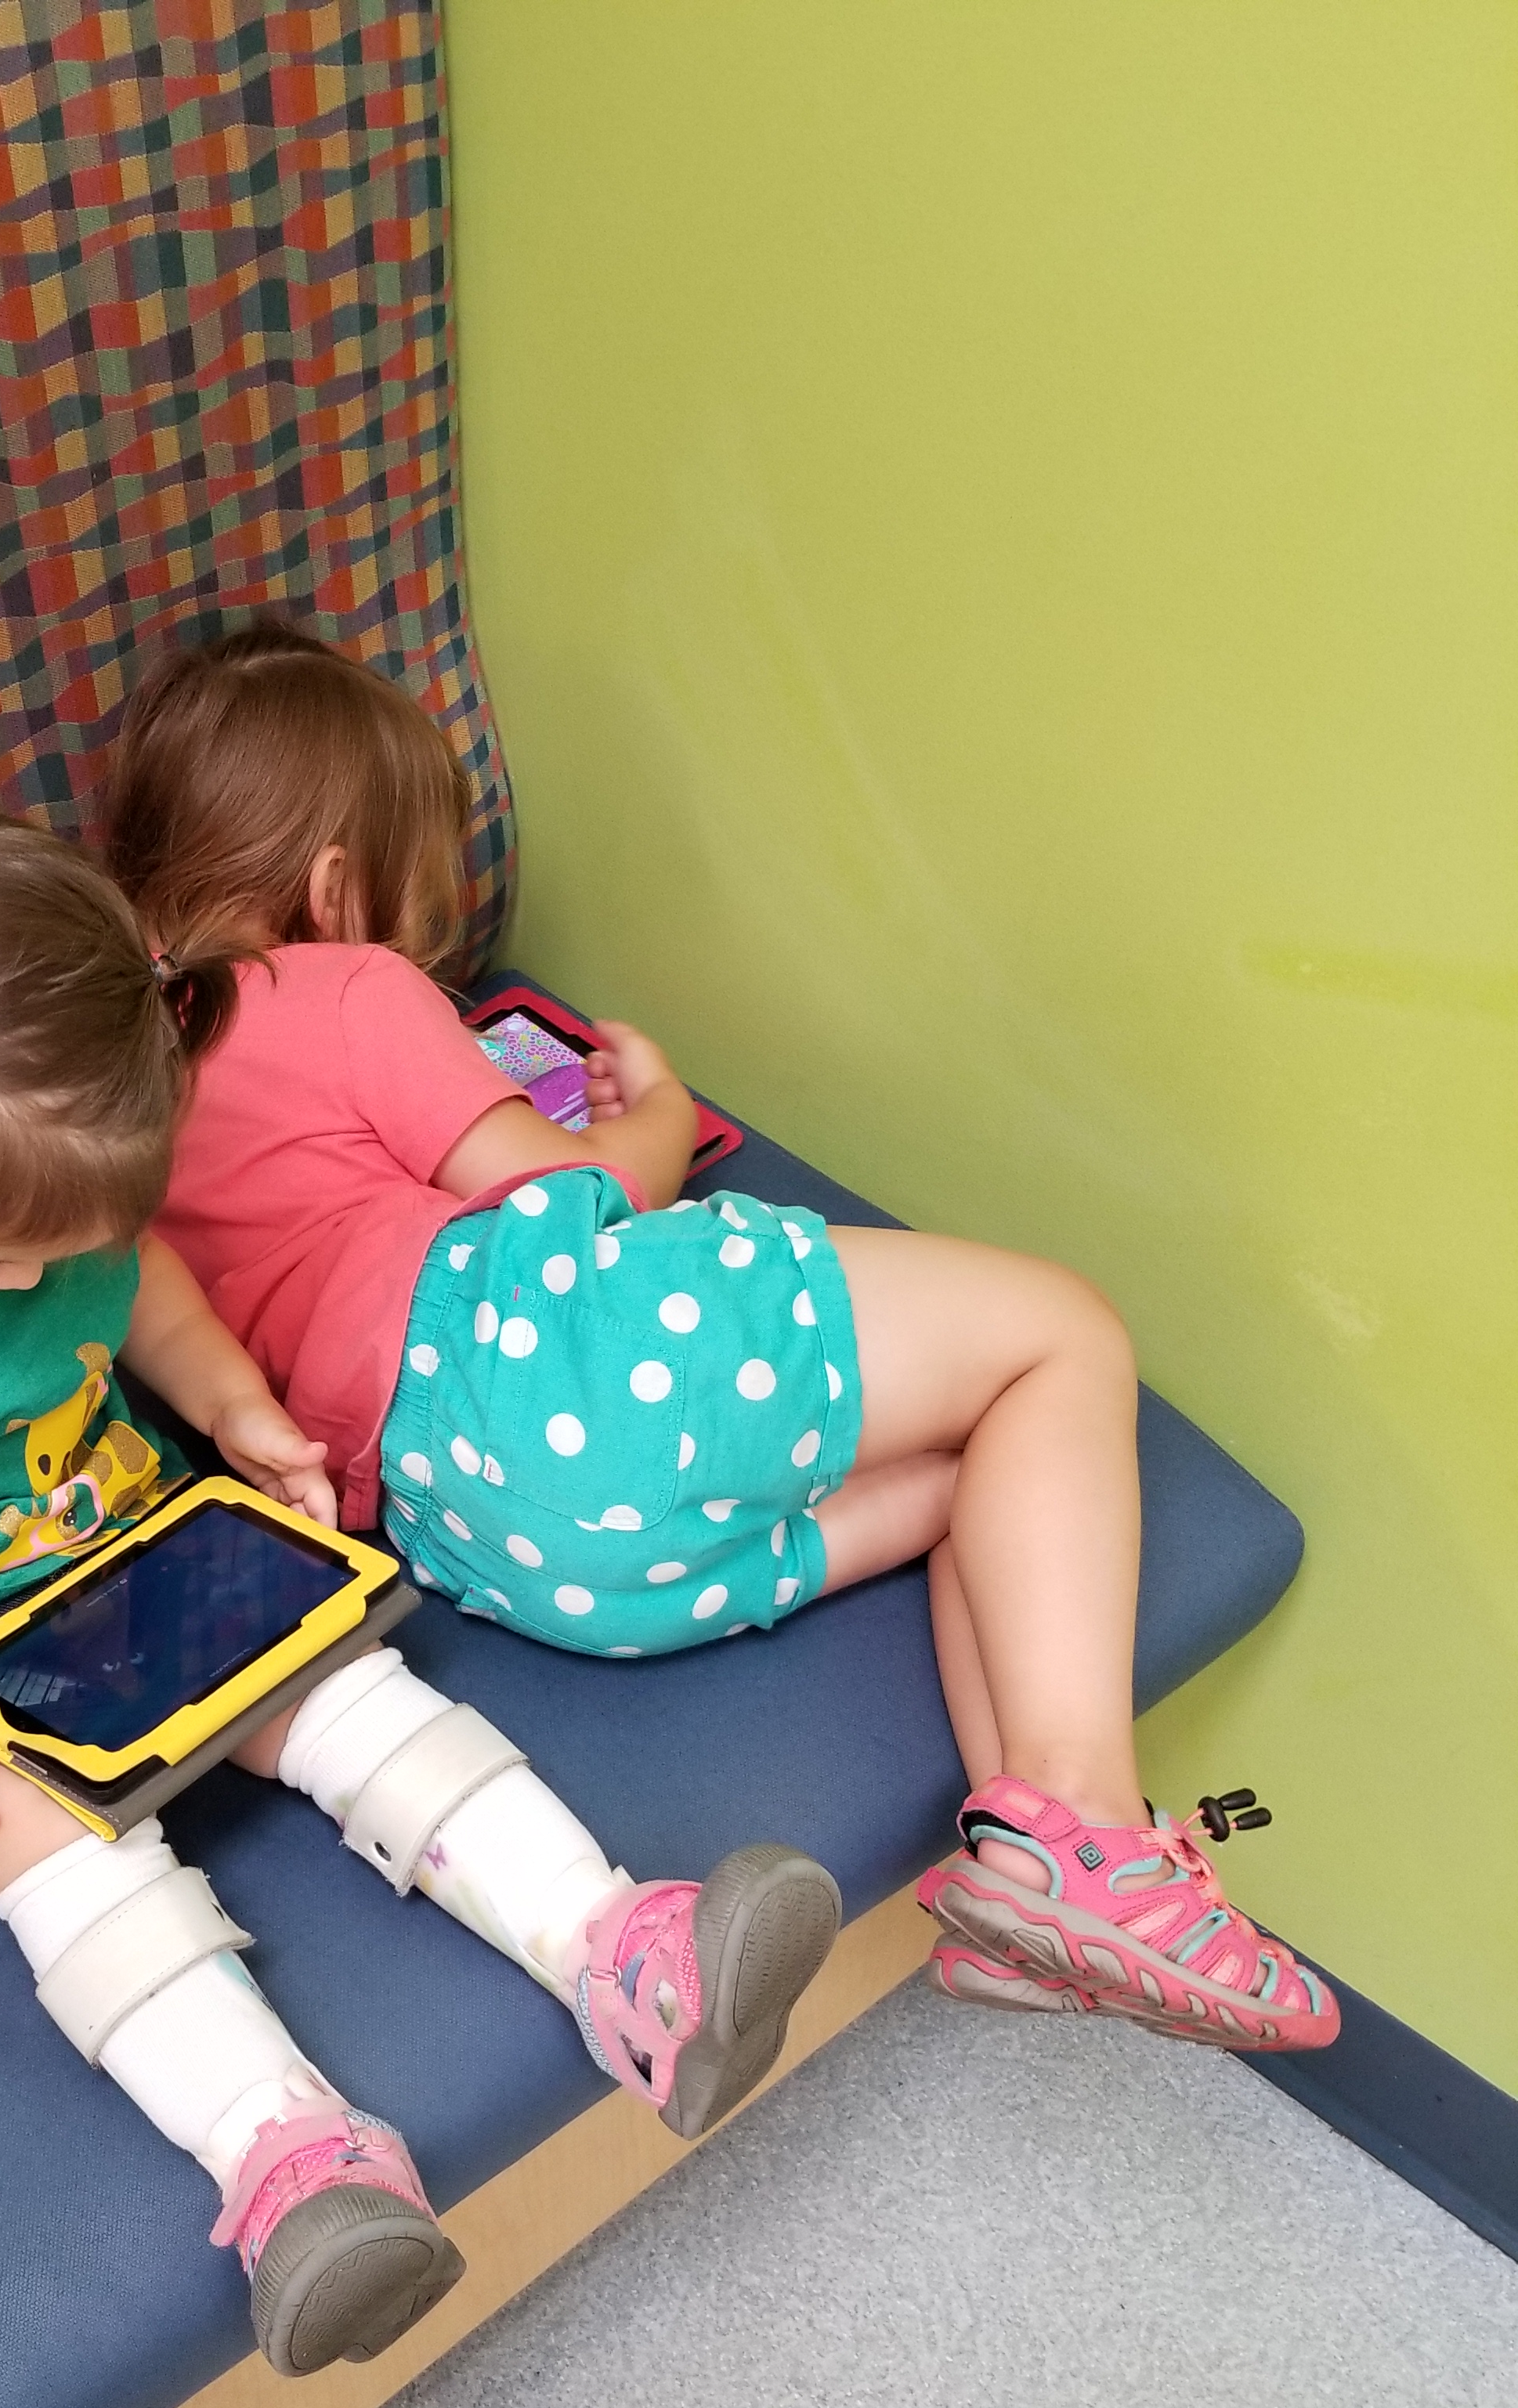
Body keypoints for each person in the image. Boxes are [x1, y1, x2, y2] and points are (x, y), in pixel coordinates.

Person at [0, 803, 844, 2381]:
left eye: (50, 1254)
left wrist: (238, 1408)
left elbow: (147, 1289)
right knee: (28, 1823)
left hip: (136, 1537)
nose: (22, 1289)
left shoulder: (34, 1204)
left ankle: (621, 1951)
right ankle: (291, 2163)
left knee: (340, 1685)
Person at [105, 620, 1336, 2056]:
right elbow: (570, 1191)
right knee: (1061, 1338)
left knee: (988, 1470)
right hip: (570, 1365)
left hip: (518, 1554)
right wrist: (662, 1116)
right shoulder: (335, 988)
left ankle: (1039, 1873)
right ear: (332, 891)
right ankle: (1096, 1823)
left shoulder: (108, 1121)